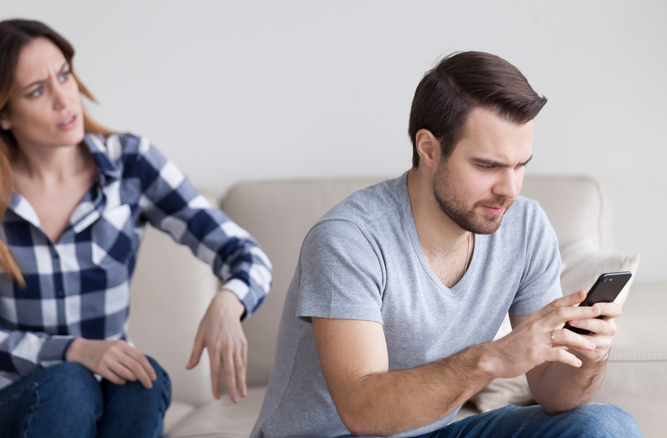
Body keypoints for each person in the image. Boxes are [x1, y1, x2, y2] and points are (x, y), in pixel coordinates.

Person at [251, 51, 640, 437]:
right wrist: (493, 358)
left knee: (606, 426)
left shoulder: (526, 226)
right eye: (488, 166)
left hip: (428, 434)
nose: (509, 190)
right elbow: (363, 413)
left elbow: (553, 394)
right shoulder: (348, 239)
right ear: (429, 149)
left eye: (521, 165)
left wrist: (589, 355)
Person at [0, 18, 272, 438]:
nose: (63, 99)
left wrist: (227, 303)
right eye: (37, 90)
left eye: (64, 75)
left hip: (90, 405)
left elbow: (246, 253)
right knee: (70, 382)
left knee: (145, 382)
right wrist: (74, 351)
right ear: (1, 115)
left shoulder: (131, 166)